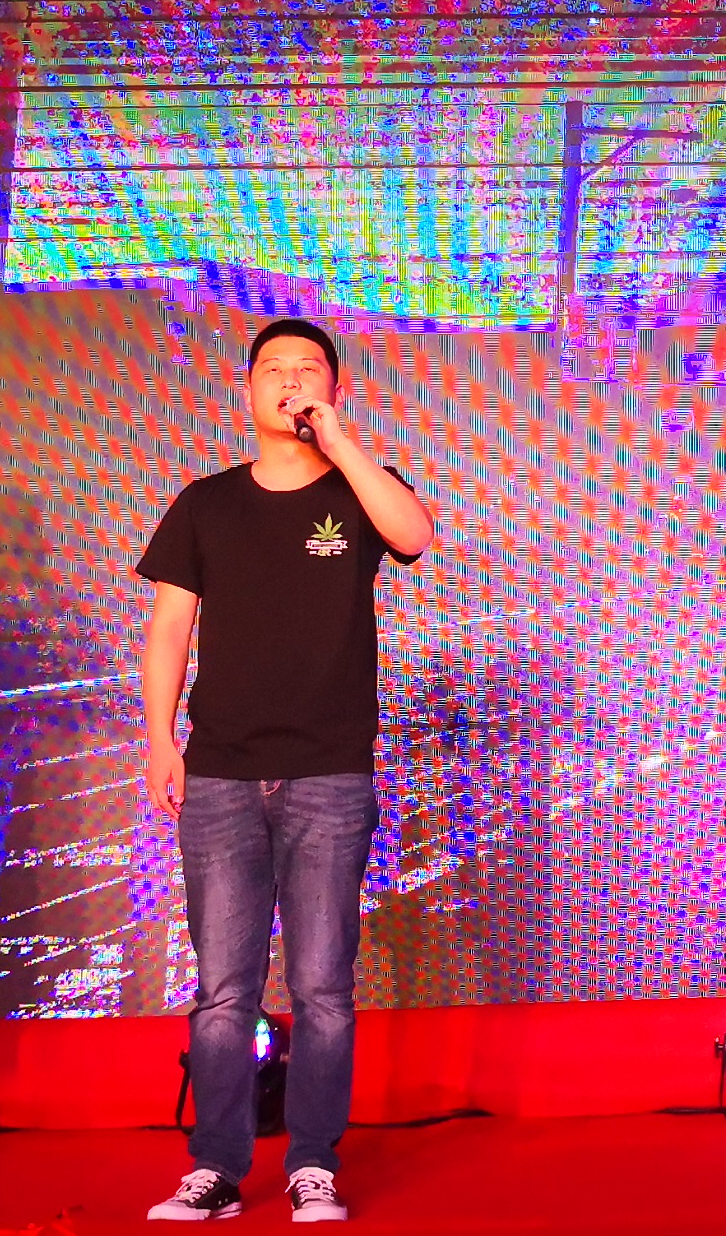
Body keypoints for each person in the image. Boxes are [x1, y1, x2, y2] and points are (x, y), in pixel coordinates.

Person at [136, 318, 435, 1223]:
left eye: (310, 370)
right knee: (223, 990)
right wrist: (159, 740)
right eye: (275, 369)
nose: (292, 381)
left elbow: (415, 535)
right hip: (222, 773)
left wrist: (339, 443)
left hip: (328, 773)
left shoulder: (360, 487)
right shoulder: (206, 503)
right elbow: (170, 629)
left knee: (324, 987)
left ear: (337, 391)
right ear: (248, 390)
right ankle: (216, 1167)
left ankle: (313, 1164)